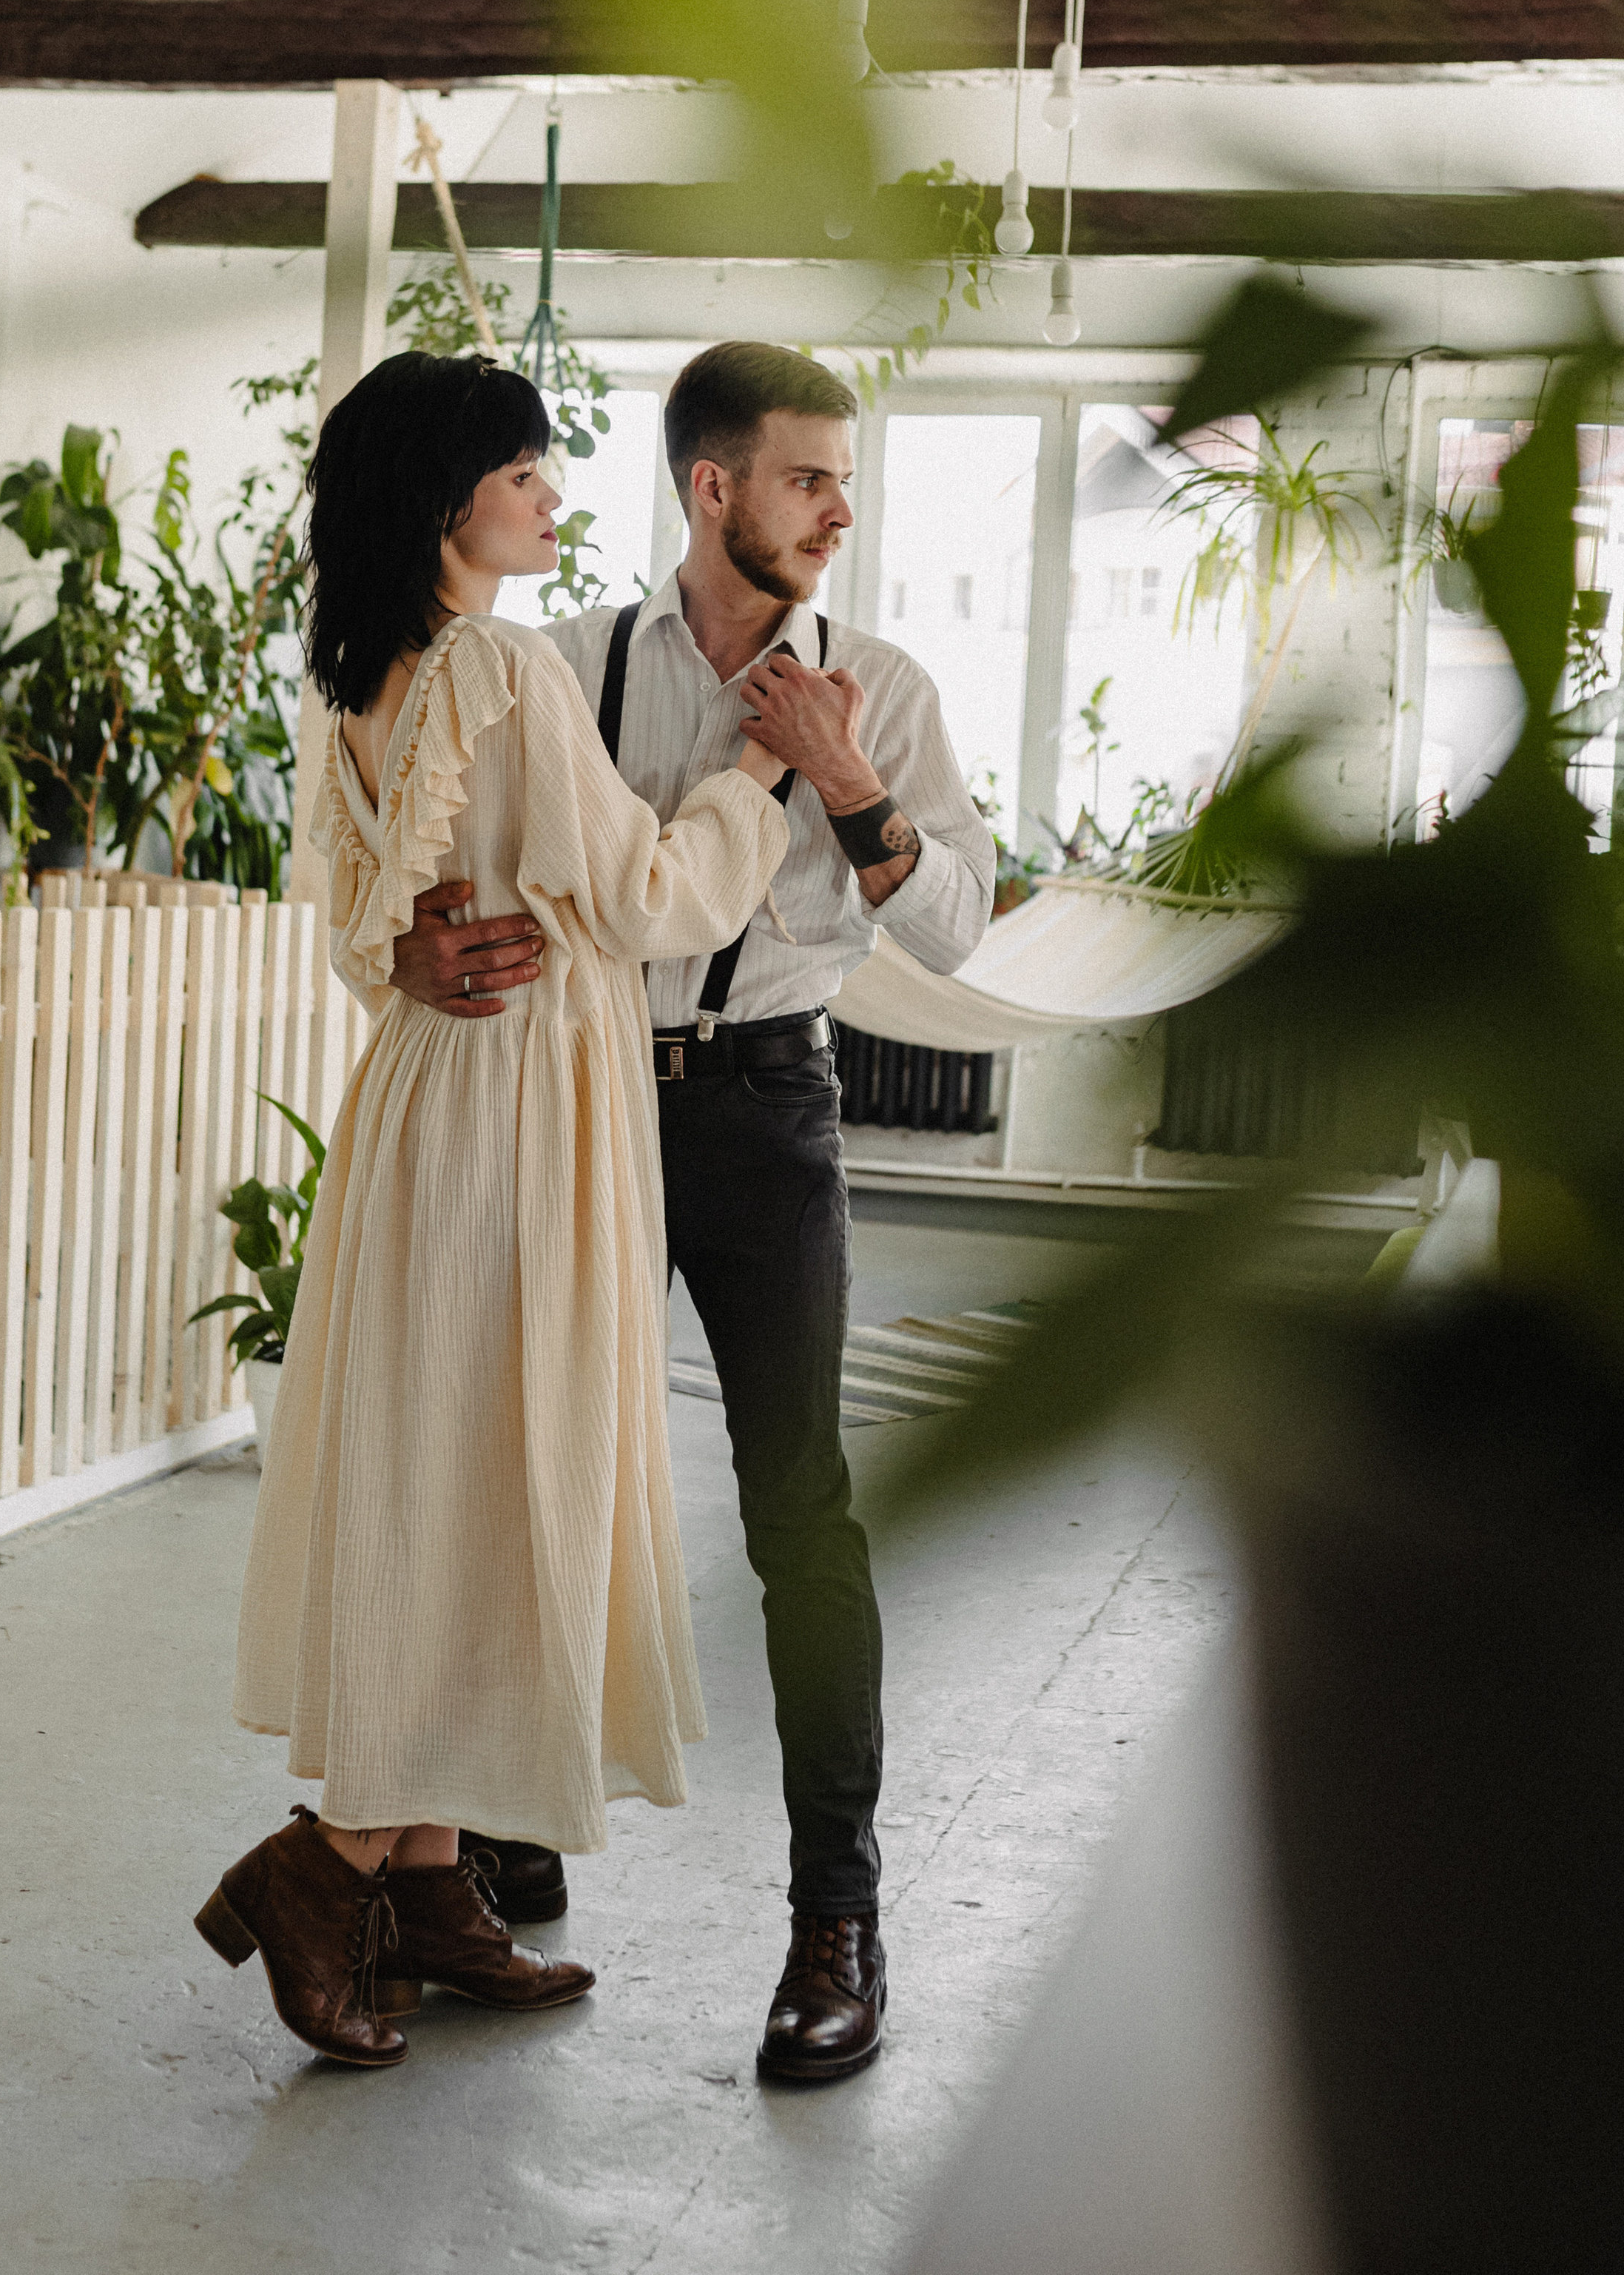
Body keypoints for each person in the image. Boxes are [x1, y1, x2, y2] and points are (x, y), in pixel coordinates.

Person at [391, 341, 995, 2083]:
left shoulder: (876, 678)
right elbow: (439, 856)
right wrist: (417, 951)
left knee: (798, 1510)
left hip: (763, 1107)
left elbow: (955, 926)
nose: (838, 510)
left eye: (844, 481)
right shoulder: (557, 660)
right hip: (560, 1095)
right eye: (806, 478)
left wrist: (853, 781)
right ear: (710, 488)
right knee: (525, 1472)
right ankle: (491, 1836)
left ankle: (836, 1917)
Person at [201, 351, 793, 2070]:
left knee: (451, 1465)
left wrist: (399, 955)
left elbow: (342, 916)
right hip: (530, 1102)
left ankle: (437, 1892)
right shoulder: (508, 669)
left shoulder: (360, 676)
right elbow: (647, 895)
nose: (548, 495)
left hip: (417, 1111)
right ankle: (324, 1872)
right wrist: (756, 779)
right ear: (446, 500)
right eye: (523, 472)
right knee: (503, 1464)